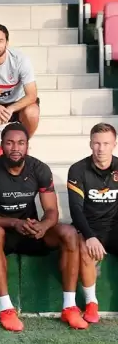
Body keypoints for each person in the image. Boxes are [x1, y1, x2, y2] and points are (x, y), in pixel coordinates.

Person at [0, 123, 87, 331]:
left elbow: (52, 211)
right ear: (2, 145)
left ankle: (69, 307)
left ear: (27, 146)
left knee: (69, 232)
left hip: (31, 231)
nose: (15, 148)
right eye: (9, 143)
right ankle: (6, 309)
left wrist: (43, 225)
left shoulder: (39, 169)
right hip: (3, 230)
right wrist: (13, 222)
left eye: (20, 143)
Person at [67, 122, 118, 324]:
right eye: (97, 143)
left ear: (114, 145)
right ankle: (91, 303)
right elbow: (75, 208)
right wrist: (89, 236)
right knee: (84, 247)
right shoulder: (78, 169)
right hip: (88, 226)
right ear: (90, 144)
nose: (101, 148)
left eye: (106, 143)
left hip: (114, 227)